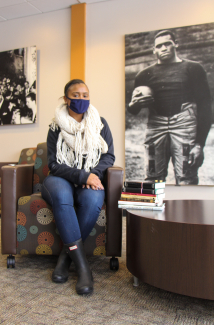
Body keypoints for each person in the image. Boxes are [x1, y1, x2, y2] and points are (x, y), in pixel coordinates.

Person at [41, 79, 115, 295]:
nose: (81, 99)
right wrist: (83, 176)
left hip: (90, 177)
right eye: (76, 95)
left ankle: (65, 258)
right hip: (59, 178)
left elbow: (108, 155)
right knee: (63, 195)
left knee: (93, 199)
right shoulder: (55, 126)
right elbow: (53, 164)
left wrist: (94, 175)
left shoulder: (99, 123)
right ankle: (84, 269)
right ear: (66, 99)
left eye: (85, 95)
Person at [128, 29, 212, 185]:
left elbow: (205, 106)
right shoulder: (144, 75)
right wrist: (134, 104)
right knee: (152, 177)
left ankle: (188, 209)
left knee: (187, 176)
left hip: (184, 124)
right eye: (159, 46)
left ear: (176, 45)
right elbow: (133, 109)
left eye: (168, 44)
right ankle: (152, 209)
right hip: (156, 125)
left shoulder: (193, 68)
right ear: (154, 50)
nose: (163, 48)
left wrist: (200, 143)